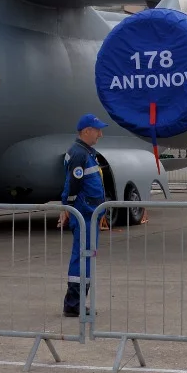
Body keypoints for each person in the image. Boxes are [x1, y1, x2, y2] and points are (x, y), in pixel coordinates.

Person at [58, 113, 108, 316]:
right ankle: (73, 304)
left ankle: (76, 303)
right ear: (87, 131)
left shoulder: (84, 153)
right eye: (97, 130)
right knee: (82, 258)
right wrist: (68, 208)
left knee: (86, 257)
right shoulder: (80, 154)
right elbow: (73, 184)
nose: (100, 135)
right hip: (84, 213)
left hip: (89, 213)